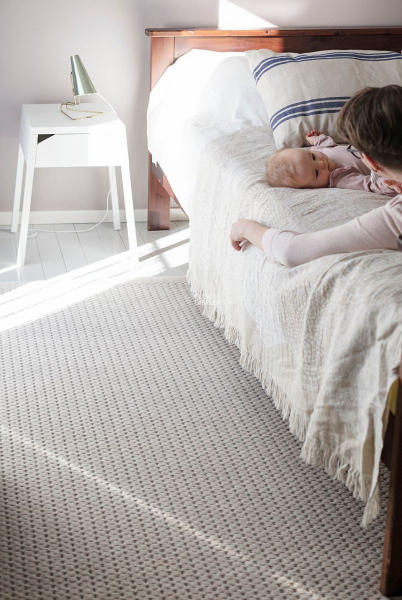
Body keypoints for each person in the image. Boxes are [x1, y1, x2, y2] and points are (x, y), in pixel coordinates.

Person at [230, 85, 402, 268]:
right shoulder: (340, 178)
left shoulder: (396, 216)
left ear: (371, 161)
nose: (321, 163)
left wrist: (245, 228)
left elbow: (292, 251)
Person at [266, 130, 400, 197]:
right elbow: (367, 183)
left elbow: (324, 145)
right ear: (312, 188)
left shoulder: (318, 151)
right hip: (386, 165)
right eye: (316, 173)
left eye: (312, 157)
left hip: (377, 147)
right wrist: (387, 185)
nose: (320, 163)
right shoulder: (339, 178)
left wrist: (315, 138)